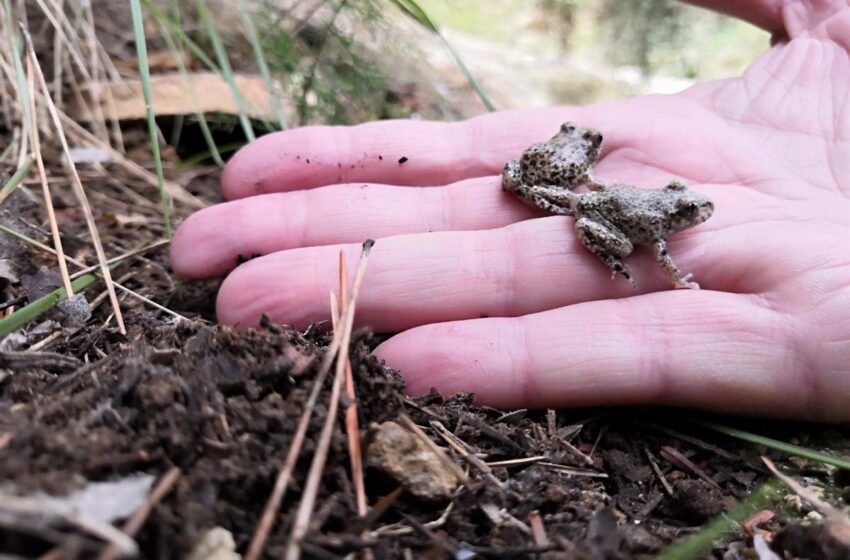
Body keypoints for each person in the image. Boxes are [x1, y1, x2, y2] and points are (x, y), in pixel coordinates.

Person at [170, 0, 850, 422]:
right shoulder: (654, 223)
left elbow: (644, 207)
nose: (695, 211)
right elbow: (662, 254)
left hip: (575, 190)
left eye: (693, 207)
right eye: (692, 206)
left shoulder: (649, 197)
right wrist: (648, 266)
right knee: (599, 228)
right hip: (595, 209)